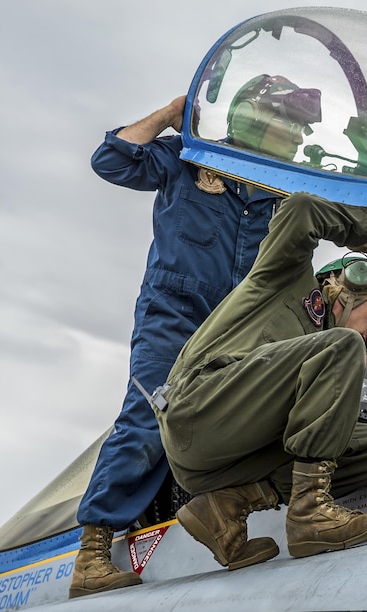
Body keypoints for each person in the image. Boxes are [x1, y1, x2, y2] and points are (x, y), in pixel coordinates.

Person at [70, 75, 322, 599]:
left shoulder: (289, 191)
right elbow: (111, 160)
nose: (299, 137)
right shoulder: (188, 159)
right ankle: (93, 553)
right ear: (255, 115)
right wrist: (168, 114)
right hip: (173, 319)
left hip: (238, 331)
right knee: (147, 424)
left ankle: (227, 529)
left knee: (242, 423)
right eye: (292, 123)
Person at [157, 192, 367, 570]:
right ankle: (310, 514)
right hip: (196, 409)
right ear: (351, 287)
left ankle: (225, 509)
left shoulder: (318, 355)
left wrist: (352, 430)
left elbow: (290, 406)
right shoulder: (287, 277)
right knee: (343, 346)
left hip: (220, 460)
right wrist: (360, 229)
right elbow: (301, 209)